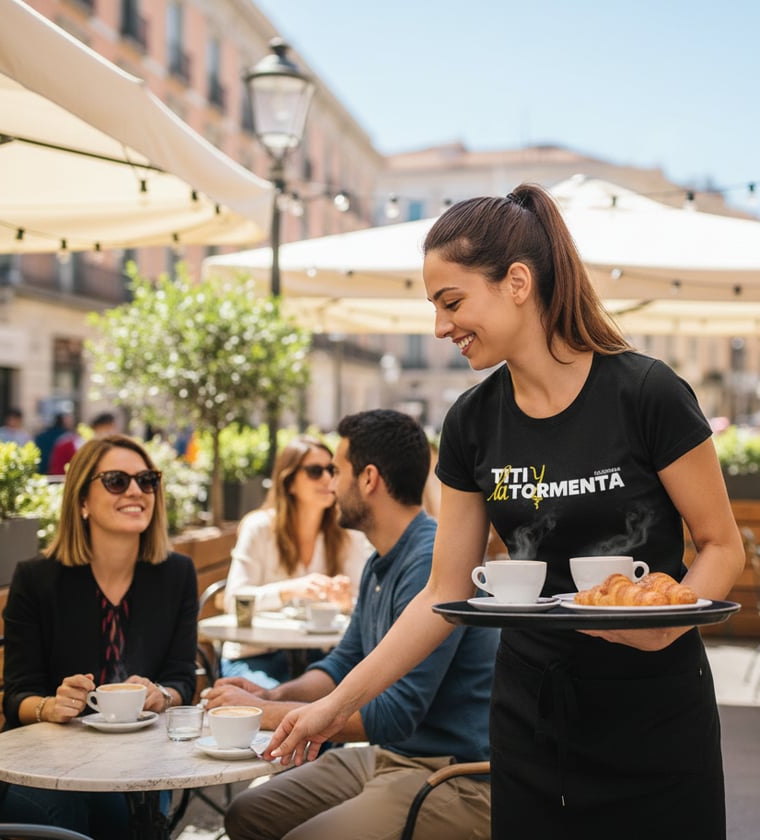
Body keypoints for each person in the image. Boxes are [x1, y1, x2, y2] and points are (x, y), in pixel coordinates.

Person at [262, 186, 746, 840]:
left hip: (654, 712)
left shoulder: (646, 393)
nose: (440, 327)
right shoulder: (470, 422)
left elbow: (721, 545)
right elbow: (445, 590)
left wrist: (665, 627)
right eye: (434, 307)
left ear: (517, 282)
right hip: (530, 720)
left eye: (452, 302)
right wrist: (333, 704)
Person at [204, 409, 496, 840]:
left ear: (369, 479)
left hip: (455, 773)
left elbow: (397, 712)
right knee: (248, 813)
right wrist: (273, 694)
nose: (332, 485)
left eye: (337, 471)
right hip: (388, 757)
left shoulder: (432, 561)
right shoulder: (379, 561)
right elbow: (344, 662)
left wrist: (266, 715)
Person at [0, 433, 198, 838]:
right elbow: (18, 695)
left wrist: (163, 694)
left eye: (147, 480)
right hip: (42, 766)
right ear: (82, 501)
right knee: (71, 811)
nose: (136, 491)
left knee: (130, 812)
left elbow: (182, 679)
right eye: (117, 481)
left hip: (139, 762)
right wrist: (51, 706)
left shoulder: (177, 574)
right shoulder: (37, 579)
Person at [221, 435, 371, 686]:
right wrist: (289, 590)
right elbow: (234, 600)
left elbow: (366, 603)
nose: (327, 479)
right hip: (257, 656)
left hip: (323, 658)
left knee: (346, 703)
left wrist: (346, 602)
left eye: (332, 470)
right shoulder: (259, 528)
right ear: (289, 482)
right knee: (273, 702)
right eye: (315, 471)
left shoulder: (347, 533)